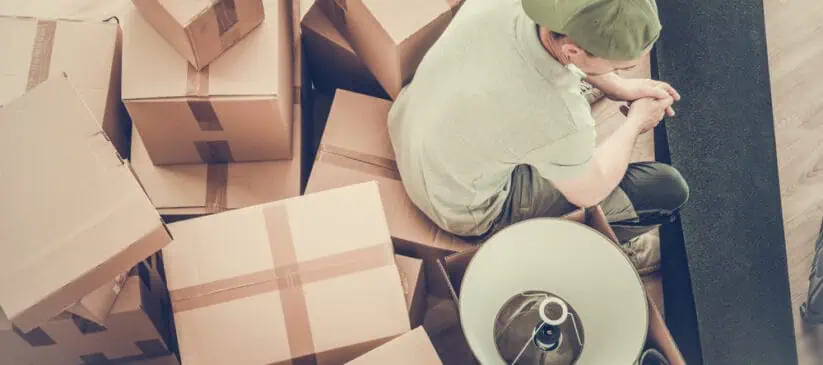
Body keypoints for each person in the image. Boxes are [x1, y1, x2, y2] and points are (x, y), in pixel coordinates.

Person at [387, 0, 689, 275]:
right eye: (619, 67)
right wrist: (636, 122)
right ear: (573, 52)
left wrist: (621, 88)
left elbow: (558, 44)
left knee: (550, 127)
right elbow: (590, 191)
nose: (624, 73)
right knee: (664, 189)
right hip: (458, 208)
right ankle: (602, 246)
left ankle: (574, 90)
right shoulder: (558, 115)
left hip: (412, 124)